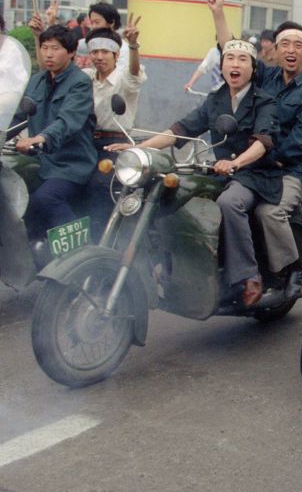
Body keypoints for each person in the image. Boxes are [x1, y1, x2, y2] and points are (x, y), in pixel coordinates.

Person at [108, 39, 279, 307]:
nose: (235, 64)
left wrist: (236, 163)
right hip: (220, 173)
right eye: (230, 58)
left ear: (253, 68)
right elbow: (179, 130)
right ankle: (164, 261)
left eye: (242, 59)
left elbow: (262, 143)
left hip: (255, 175)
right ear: (221, 66)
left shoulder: (264, 101)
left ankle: (249, 276)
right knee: (167, 190)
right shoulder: (216, 99)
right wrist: (137, 147)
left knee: (229, 203)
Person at [210, 0, 302, 289]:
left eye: (298, 45)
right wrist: (218, 13)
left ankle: (293, 270)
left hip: (291, 168)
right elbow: (234, 51)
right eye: (285, 44)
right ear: (274, 50)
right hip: (259, 163)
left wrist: (263, 155)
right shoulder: (266, 75)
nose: (291, 50)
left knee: (269, 212)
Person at [11, 23, 96, 238]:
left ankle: (79, 252)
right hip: (42, 162)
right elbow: (17, 115)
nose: (48, 54)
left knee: (46, 198)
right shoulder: (37, 81)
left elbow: (68, 120)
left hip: (71, 164)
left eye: (55, 48)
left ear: (71, 52)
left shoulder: (80, 83)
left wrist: (41, 137)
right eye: (45, 47)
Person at [80, 16, 147, 237]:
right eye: (94, 52)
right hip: (87, 142)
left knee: (99, 186)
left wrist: (134, 45)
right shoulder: (86, 78)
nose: (99, 57)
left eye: (105, 52)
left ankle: (101, 242)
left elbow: (135, 74)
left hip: (116, 142)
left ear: (116, 55)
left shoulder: (123, 78)